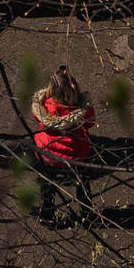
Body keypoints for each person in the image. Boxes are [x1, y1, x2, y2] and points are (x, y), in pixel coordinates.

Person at [27, 64, 96, 225]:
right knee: (82, 181)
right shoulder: (83, 108)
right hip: (77, 154)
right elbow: (91, 123)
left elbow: (38, 120)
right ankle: (87, 212)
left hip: (48, 153)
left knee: (47, 183)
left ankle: (47, 213)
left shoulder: (43, 107)